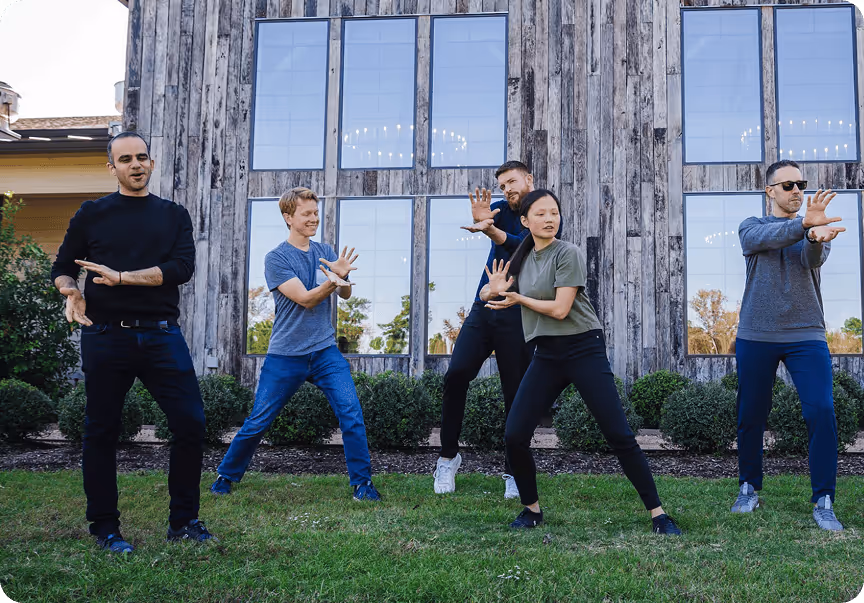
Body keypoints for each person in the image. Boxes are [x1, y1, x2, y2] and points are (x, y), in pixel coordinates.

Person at [51, 131, 214, 554]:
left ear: (152, 164)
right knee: (101, 431)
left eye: (142, 157)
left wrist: (122, 277)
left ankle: (184, 522)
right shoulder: (92, 214)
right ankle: (105, 528)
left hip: (162, 334)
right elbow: (63, 267)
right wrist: (70, 290)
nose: (136, 164)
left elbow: (181, 269)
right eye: (125, 159)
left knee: (190, 424)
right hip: (105, 336)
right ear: (112, 168)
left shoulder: (174, 214)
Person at [483, 189, 681, 534]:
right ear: (526, 221)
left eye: (554, 213)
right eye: (541, 214)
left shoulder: (567, 253)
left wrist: (517, 299)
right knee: (515, 435)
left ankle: (659, 514)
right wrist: (493, 290)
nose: (549, 219)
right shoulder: (522, 256)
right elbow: (493, 293)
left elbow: (560, 310)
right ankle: (531, 510)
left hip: (582, 348)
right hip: (545, 354)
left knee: (618, 434)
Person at [210, 187, 380, 501]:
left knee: (351, 413)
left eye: (316, 213)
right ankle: (226, 475)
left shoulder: (325, 250)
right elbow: (305, 300)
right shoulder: (276, 258)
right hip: (286, 355)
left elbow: (345, 295)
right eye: (306, 214)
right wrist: (333, 279)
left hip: (325, 351)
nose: (314, 218)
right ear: (289, 218)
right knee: (259, 420)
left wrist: (341, 278)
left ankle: (362, 484)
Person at [731, 160, 846, 531]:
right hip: (756, 333)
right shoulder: (752, 226)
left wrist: (814, 237)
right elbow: (763, 240)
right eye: (788, 185)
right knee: (751, 414)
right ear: (770, 192)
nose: (797, 190)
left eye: (801, 184)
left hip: (806, 333)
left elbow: (810, 258)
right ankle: (748, 487)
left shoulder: (815, 229)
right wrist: (804, 226)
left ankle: (823, 499)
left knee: (821, 410)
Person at [433, 161, 536, 498]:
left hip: (517, 312)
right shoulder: (499, 210)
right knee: (457, 374)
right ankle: (448, 458)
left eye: (512, 182)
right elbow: (486, 220)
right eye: (503, 185)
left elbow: (523, 246)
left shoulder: (543, 213)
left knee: (514, 393)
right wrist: (484, 219)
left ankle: (513, 470)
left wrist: (490, 231)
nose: (507, 190)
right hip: (484, 307)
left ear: (528, 179)